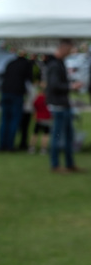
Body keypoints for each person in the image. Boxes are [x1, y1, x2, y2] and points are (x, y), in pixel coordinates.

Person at [45, 39, 84, 173]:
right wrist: (71, 86)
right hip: (58, 106)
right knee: (57, 136)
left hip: (64, 104)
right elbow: (54, 85)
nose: (70, 52)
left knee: (68, 137)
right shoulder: (54, 65)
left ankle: (69, 164)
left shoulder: (59, 63)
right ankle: (55, 165)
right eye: (69, 49)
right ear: (63, 47)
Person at [0, 50, 33, 152]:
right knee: (14, 120)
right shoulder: (26, 64)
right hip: (17, 93)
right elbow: (30, 79)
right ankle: (10, 145)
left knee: (4, 120)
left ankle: (2, 145)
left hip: (5, 92)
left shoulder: (10, 63)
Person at [28, 82, 51, 155]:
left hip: (39, 117)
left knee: (35, 132)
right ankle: (43, 148)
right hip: (47, 118)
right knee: (46, 133)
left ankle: (31, 147)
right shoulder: (49, 97)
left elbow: (35, 105)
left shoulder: (39, 97)